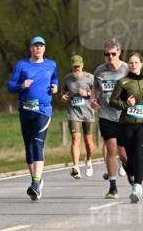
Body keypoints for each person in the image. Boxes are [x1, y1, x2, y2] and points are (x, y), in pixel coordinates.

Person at [7, 36, 59, 200]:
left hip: (43, 110)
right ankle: (36, 180)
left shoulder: (51, 64)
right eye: (35, 46)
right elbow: (10, 86)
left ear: (44, 49)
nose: (38, 48)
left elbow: (54, 78)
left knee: (37, 143)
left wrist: (55, 87)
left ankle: (36, 183)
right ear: (30, 48)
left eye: (41, 46)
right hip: (26, 110)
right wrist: (21, 86)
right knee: (29, 147)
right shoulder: (22, 65)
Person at [109, 53, 143, 203]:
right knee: (131, 159)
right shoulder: (123, 82)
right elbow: (112, 101)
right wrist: (126, 104)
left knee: (140, 155)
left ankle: (137, 187)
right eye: (131, 63)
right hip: (127, 125)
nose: (133, 65)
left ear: (141, 64)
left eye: (136, 62)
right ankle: (130, 171)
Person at [93, 39, 129, 199]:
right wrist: (93, 100)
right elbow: (95, 87)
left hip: (124, 115)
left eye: (113, 54)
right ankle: (113, 187)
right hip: (106, 115)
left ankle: (130, 171)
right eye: (107, 54)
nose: (110, 57)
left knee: (124, 154)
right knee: (111, 148)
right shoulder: (100, 71)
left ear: (119, 52)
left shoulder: (127, 69)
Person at [62, 55, 96, 179]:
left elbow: (97, 94)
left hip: (88, 113)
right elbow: (63, 92)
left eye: (78, 66)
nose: (76, 69)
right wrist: (63, 96)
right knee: (75, 138)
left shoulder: (90, 78)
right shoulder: (67, 78)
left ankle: (89, 160)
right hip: (73, 112)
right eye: (74, 66)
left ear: (82, 66)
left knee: (88, 141)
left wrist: (87, 93)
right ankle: (76, 167)